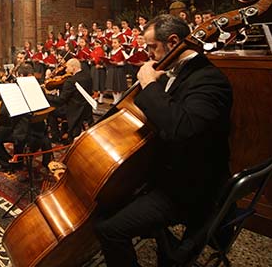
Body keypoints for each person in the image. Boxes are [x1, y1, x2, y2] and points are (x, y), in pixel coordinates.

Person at [94, 14, 233, 267]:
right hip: (168, 174)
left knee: (108, 229)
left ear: (172, 41)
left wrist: (148, 85)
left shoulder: (209, 80)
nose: (149, 54)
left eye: (151, 47)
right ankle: (166, 247)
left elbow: (180, 128)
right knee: (105, 205)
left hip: (190, 189)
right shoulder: (177, 73)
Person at [0, 64, 51, 172]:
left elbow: (3, 114)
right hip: (39, 130)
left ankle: (8, 163)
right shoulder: (39, 89)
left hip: (22, 133)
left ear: (19, 75)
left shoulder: (14, 90)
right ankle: (18, 160)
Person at [44, 58, 93, 144]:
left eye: (67, 67)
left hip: (73, 111)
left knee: (51, 111)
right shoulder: (88, 77)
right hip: (85, 109)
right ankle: (65, 131)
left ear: (73, 68)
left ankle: (56, 137)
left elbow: (60, 100)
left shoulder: (71, 81)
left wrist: (46, 96)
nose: (66, 70)